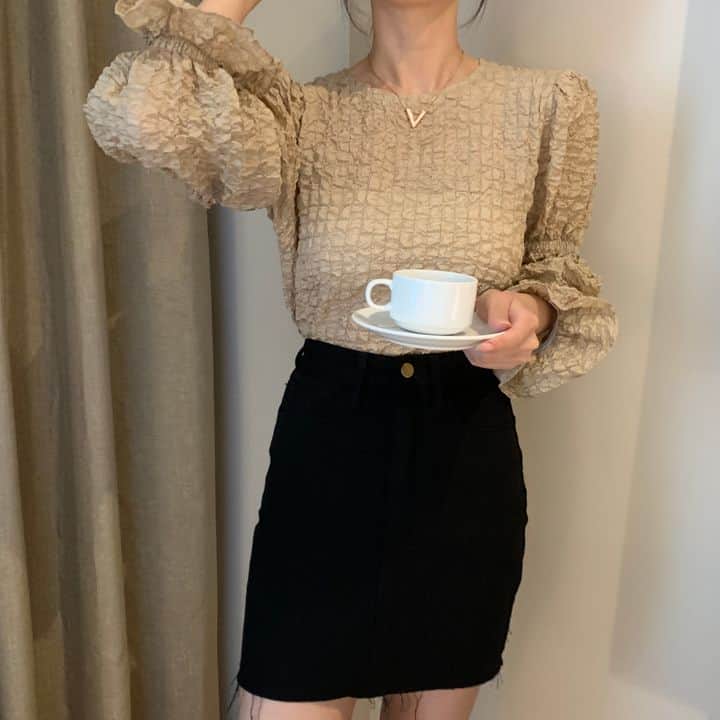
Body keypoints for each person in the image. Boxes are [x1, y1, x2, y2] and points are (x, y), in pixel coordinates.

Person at [83, 0, 619, 718]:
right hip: (329, 452)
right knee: (288, 684)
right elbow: (141, 115)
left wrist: (534, 310)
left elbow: (555, 262)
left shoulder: (548, 104)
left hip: (463, 460)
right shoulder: (296, 114)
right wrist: (227, 5)